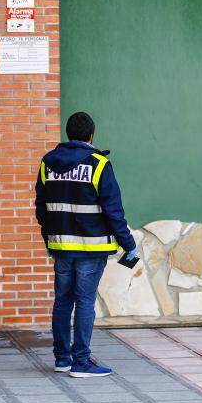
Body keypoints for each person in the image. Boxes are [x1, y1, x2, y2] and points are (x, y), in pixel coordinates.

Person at [35, 112, 137, 378]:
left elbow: (41, 209)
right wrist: (129, 244)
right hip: (91, 250)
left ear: (69, 134)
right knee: (84, 302)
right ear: (91, 136)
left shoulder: (48, 163)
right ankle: (81, 362)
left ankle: (62, 359)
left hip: (61, 248)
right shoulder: (99, 164)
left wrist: (50, 238)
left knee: (62, 302)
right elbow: (113, 210)